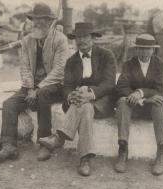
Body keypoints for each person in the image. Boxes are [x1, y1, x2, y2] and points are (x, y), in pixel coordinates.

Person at [0, 3, 69, 162]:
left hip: (54, 85)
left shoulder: (61, 40)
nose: (38, 22)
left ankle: (44, 143)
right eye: (35, 19)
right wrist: (28, 87)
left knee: (43, 96)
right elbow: (25, 67)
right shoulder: (27, 40)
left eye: (42, 19)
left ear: (49, 21)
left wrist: (38, 88)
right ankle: (9, 145)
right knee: (9, 103)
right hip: (31, 87)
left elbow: (59, 70)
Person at [39, 22, 116, 176]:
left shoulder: (106, 56)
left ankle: (60, 137)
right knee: (85, 107)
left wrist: (91, 93)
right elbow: (67, 86)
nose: (82, 41)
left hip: (101, 101)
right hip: (79, 103)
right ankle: (85, 160)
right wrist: (70, 95)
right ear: (75, 40)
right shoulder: (71, 61)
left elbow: (109, 83)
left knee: (85, 101)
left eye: (86, 37)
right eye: (78, 37)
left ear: (93, 38)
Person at [113, 33, 163, 176]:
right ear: (136, 50)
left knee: (159, 101)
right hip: (135, 107)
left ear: (153, 50)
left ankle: (161, 151)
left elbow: (161, 91)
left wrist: (140, 92)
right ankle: (123, 149)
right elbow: (121, 87)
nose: (144, 52)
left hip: (154, 110)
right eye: (141, 48)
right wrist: (142, 99)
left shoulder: (160, 65)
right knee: (122, 102)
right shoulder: (128, 65)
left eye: (148, 49)